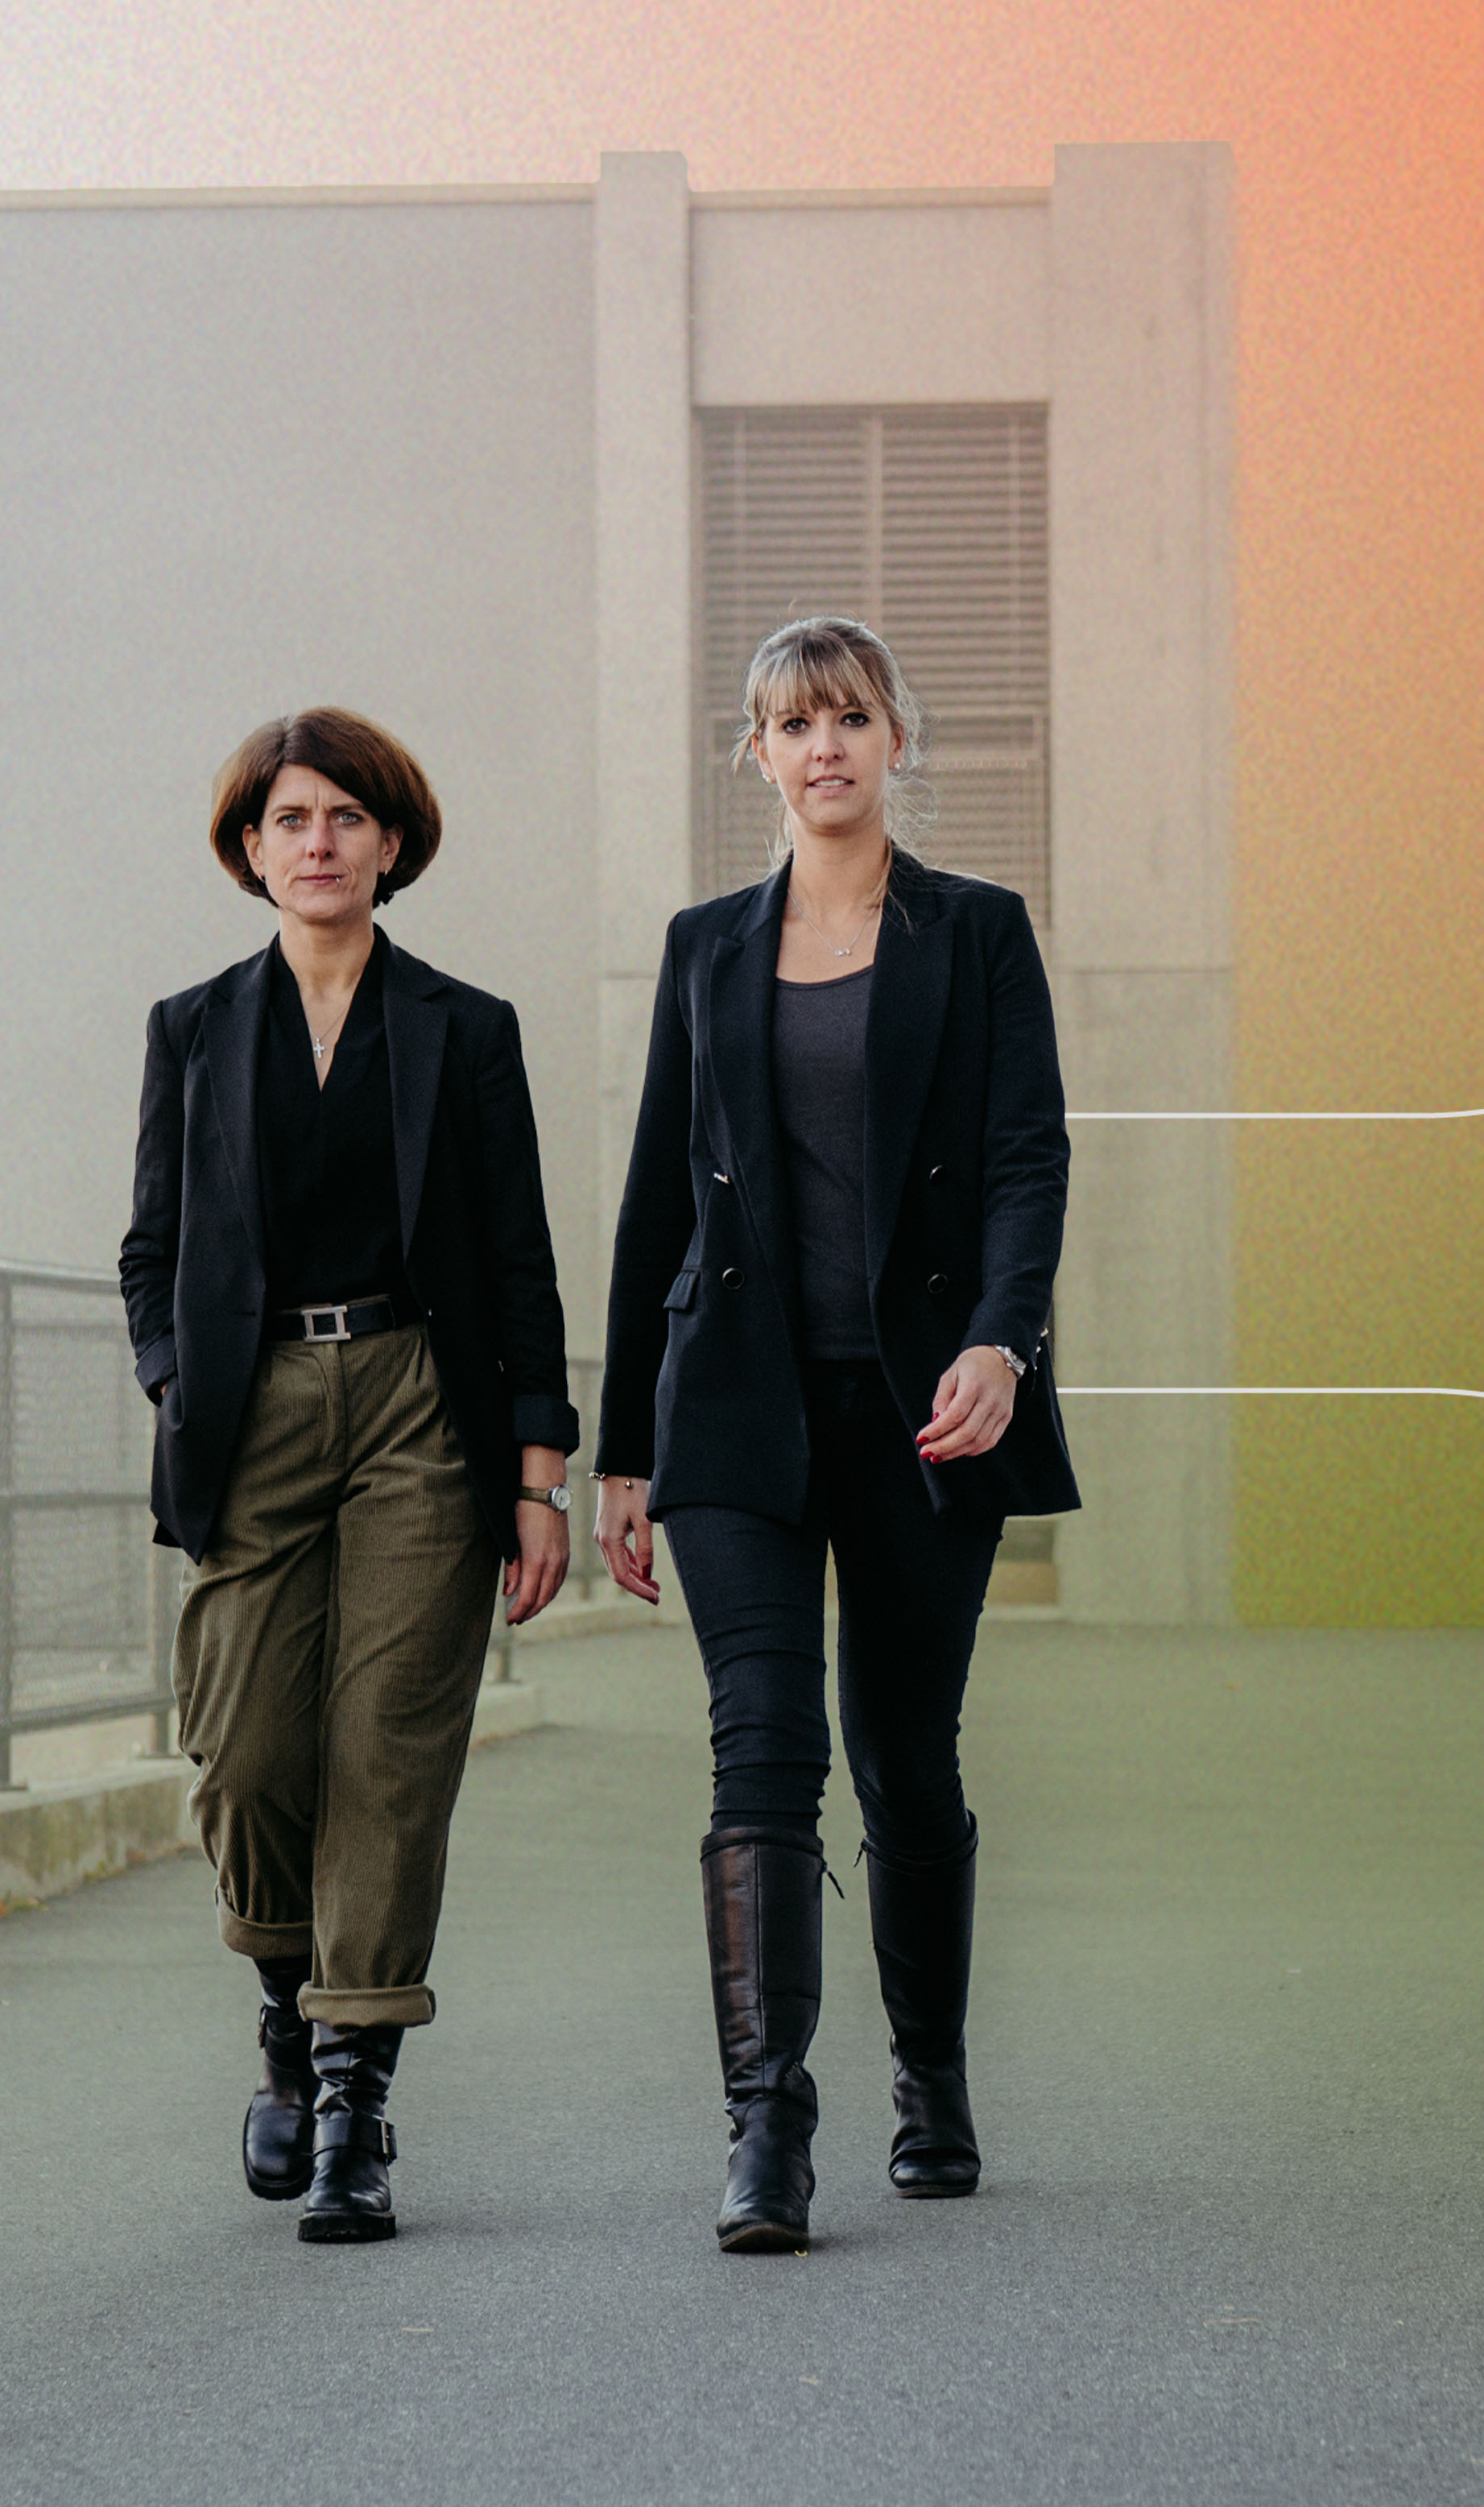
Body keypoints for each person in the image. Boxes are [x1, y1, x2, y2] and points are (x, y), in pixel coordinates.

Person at [593, 617, 1078, 2253]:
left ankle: (930, 2078)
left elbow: (1026, 1160)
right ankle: (764, 2127)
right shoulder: (704, 949)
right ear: (755, 756)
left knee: (904, 1757)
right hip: (732, 1403)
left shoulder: (979, 935)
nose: (824, 749)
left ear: (894, 740)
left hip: (923, 1412)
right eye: (792, 724)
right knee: (762, 1746)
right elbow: (658, 1192)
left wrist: (1002, 1344)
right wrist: (616, 1449)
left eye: (851, 718)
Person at [118, 707, 577, 2245]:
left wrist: (536, 1472)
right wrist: (180, 1385)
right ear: (250, 851)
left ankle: (351, 2092)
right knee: (245, 1749)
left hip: (415, 1406)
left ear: (391, 841)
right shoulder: (192, 1029)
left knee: (387, 1747)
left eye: (343, 818)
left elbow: (518, 1257)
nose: (316, 843)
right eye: (288, 820)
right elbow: (148, 1253)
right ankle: (281, 2005)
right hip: (250, 1417)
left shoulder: (464, 1026)